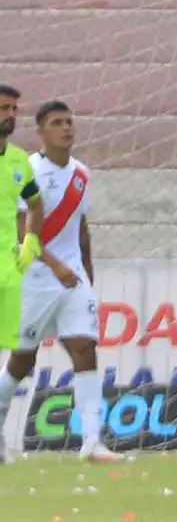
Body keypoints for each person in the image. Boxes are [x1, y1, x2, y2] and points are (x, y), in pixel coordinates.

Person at [0, 92, 56, 463]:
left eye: (13, 109)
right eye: (4, 108)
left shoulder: (20, 162)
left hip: (8, 273)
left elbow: (35, 205)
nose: (10, 115)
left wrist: (30, 242)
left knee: (12, 355)